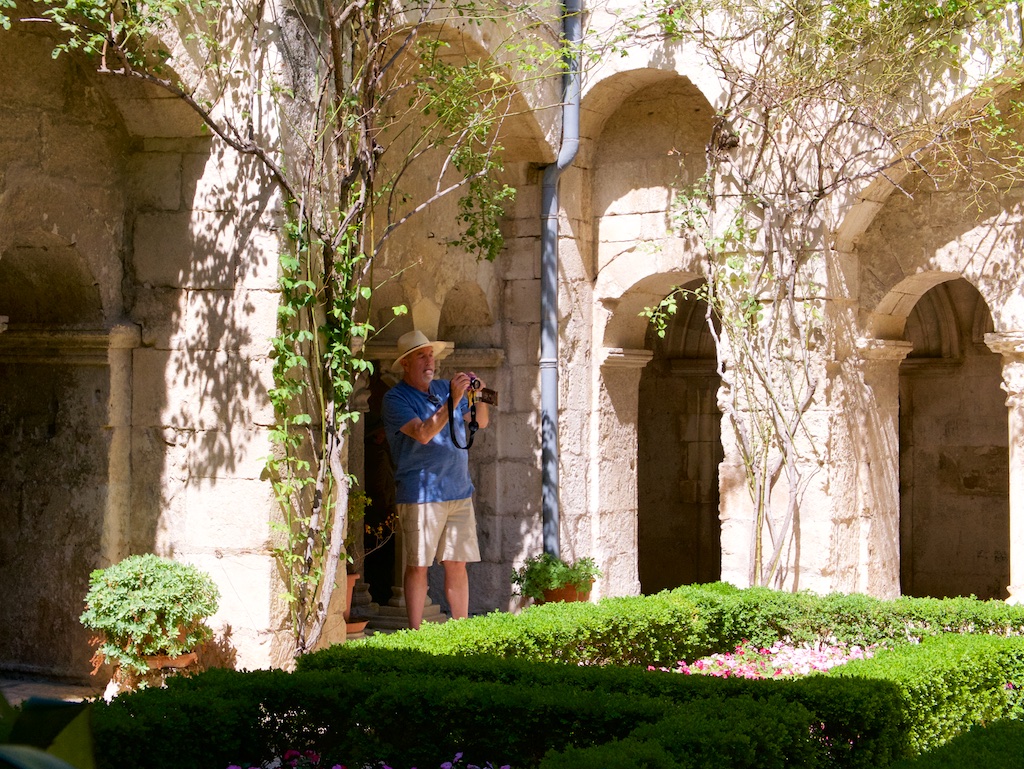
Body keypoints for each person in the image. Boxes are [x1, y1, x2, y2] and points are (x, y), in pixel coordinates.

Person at [380, 329, 490, 628]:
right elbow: (423, 433)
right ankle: (417, 635)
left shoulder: (443, 388)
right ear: (405, 363)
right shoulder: (395, 398)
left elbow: (480, 421)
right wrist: (453, 400)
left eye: (431, 355)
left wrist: (479, 393)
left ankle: (461, 631)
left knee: (457, 563)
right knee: (418, 565)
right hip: (422, 494)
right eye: (422, 356)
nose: (430, 362)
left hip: (459, 491)